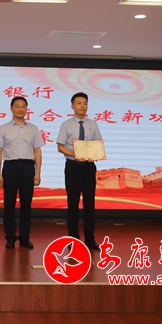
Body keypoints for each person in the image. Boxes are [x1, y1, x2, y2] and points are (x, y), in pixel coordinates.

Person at [0, 96, 44, 250]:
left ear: (26, 109)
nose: (20, 109)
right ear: (11, 109)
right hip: (10, 167)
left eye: (23, 106)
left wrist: (38, 172)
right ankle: (10, 237)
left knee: (26, 204)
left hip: (28, 168)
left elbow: (37, 151)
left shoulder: (33, 128)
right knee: (9, 204)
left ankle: (24, 237)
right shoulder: (4, 128)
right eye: (17, 106)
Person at [56, 92, 103, 250]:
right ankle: (73, 239)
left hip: (89, 168)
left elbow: (98, 144)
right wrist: (74, 154)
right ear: (72, 106)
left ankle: (90, 239)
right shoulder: (66, 125)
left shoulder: (93, 124)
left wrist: (95, 154)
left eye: (85, 103)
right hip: (73, 167)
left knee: (89, 204)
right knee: (73, 205)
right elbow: (60, 147)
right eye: (79, 103)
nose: (82, 106)